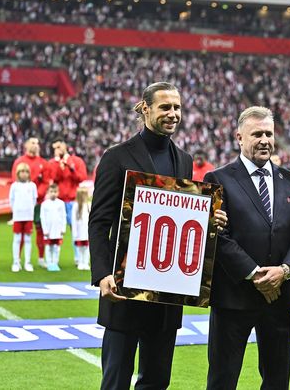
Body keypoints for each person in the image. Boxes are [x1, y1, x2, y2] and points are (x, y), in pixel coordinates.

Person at [89, 81, 227, 389]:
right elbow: (99, 221)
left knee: (156, 381)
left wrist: (209, 221)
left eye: (177, 107)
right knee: (115, 381)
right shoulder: (116, 157)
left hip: (167, 292)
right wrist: (102, 275)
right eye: (165, 107)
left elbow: (179, 220)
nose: (173, 113)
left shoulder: (186, 160)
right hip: (124, 288)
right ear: (145, 109)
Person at [203, 107, 290, 389]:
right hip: (234, 296)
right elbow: (219, 236)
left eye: (269, 134)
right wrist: (255, 274)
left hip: (279, 295)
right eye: (257, 134)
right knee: (223, 378)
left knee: (277, 379)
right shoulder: (218, 179)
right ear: (239, 137)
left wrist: (285, 271)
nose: (264, 140)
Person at [12, 137, 51, 268]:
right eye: (33, 143)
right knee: (22, 232)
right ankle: (18, 260)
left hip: (38, 203)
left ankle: (41, 258)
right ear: (26, 145)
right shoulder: (20, 162)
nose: (36, 145)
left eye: (37, 143)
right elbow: (15, 180)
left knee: (40, 230)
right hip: (24, 205)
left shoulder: (43, 163)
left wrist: (37, 194)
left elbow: (46, 182)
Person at [49, 137, 87, 225]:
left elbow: (82, 178)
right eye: (54, 149)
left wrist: (71, 168)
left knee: (76, 229)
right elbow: (54, 178)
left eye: (58, 147)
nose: (57, 150)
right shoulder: (51, 163)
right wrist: (57, 163)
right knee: (56, 230)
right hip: (57, 201)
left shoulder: (77, 161)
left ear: (64, 145)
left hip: (73, 200)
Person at [9, 163, 38, 272]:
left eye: (26, 172)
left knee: (27, 239)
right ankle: (16, 262)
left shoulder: (32, 186)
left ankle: (27, 262)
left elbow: (34, 200)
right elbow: (11, 200)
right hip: (18, 216)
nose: (24, 174)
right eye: (22, 172)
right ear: (18, 173)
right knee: (17, 239)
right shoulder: (14, 186)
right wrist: (16, 211)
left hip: (28, 216)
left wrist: (29, 210)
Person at [40, 184, 67, 272]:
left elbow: (63, 216)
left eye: (55, 192)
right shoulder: (44, 204)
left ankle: (55, 262)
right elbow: (42, 217)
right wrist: (45, 230)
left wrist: (63, 228)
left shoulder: (61, 203)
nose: (53, 194)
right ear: (48, 192)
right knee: (48, 247)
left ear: (58, 193)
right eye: (51, 192)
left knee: (56, 247)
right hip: (48, 230)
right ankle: (49, 263)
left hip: (57, 230)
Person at [71, 186, 91, 270]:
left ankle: (85, 262)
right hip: (79, 231)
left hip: (86, 231)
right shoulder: (75, 206)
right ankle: (80, 262)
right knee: (79, 248)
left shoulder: (88, 205)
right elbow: (73, 220)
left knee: (86, 248)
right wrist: (74, 232)